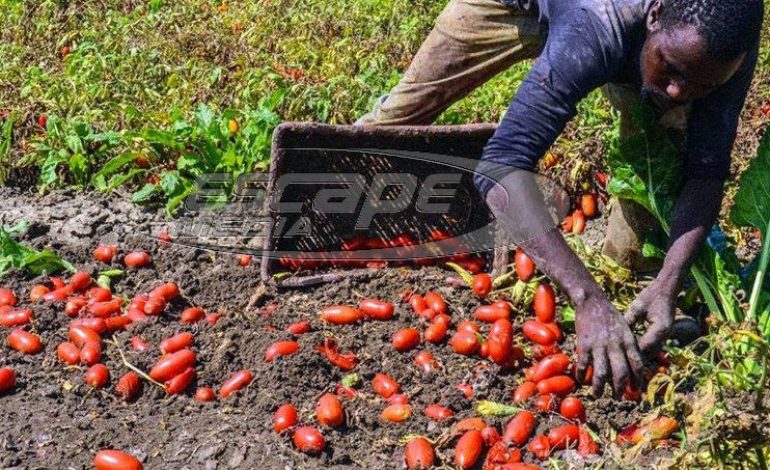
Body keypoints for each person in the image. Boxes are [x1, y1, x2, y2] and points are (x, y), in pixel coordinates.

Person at [357, 0, 765, 396]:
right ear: (654, 15)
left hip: (638, 41)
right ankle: (333, 186)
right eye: (671, 70)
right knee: (402, 115)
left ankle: (634, 286)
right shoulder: (601, 24)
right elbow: (500, 167)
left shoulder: (722, 48)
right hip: (520, 6)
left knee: (659, 162)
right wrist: (585, 296)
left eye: (702, 84)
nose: (678, 91)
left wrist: (668, 283)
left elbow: (706, 172)